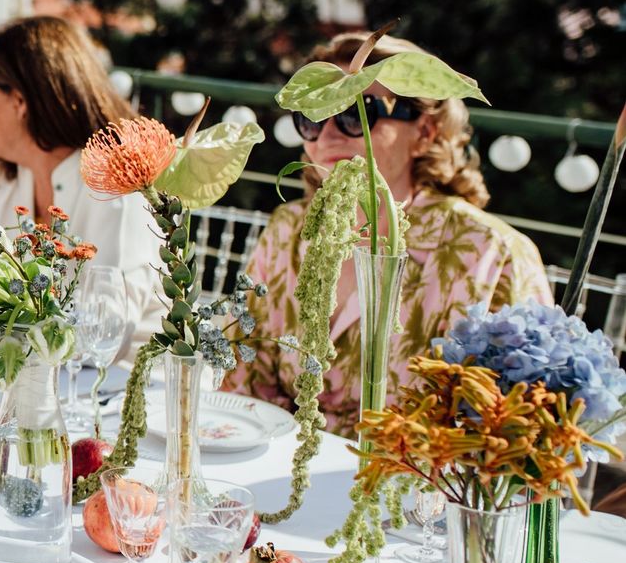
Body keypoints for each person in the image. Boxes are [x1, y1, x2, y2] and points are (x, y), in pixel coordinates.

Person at [225, 31, 552, 437]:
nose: (327, 136)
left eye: (355, 114)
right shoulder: (288, 229)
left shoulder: (491, 252)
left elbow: (521, 424)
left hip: (416, 473)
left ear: (425, 133)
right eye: (312, 118)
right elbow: (240, 375)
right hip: (285, 462)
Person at [0, 15, 159, 353]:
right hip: (17, 371)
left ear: (19, 101)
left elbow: (107, 331)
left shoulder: (117, 189)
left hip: (122, 378)